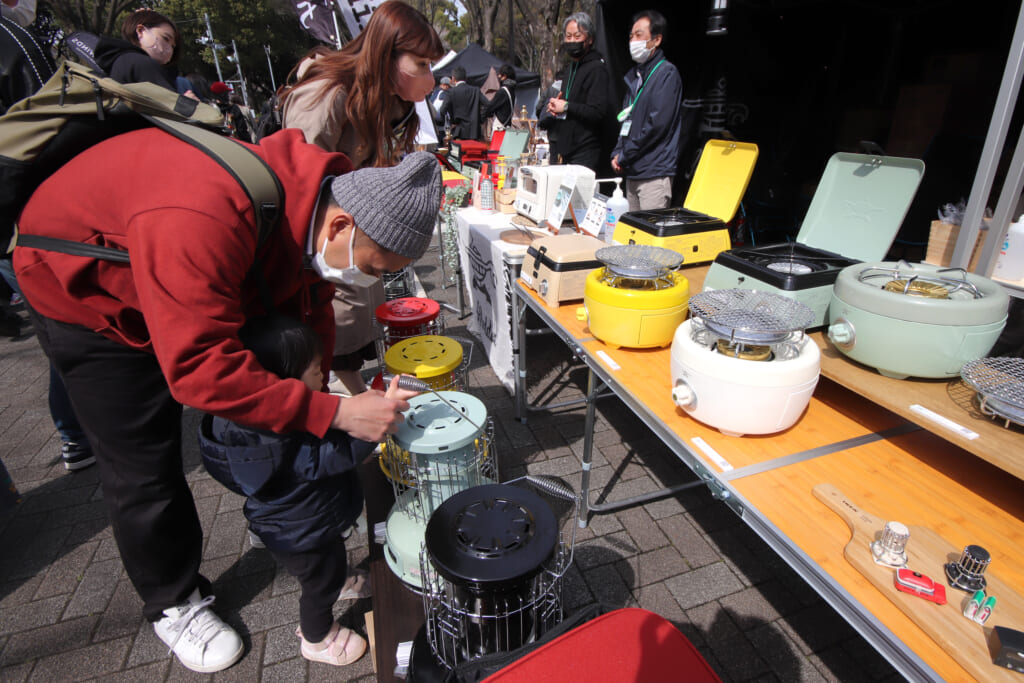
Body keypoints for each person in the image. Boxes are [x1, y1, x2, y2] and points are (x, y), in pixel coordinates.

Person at [13, 130, 441, 673]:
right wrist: (333, 412)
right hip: (86, 297)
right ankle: (173, 601)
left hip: (174, 275)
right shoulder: (205, 214)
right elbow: (195, 368)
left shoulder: (311, 202)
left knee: (262, 390)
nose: (371, 281)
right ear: (339, 225)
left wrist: (325, 389)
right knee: (142, 459)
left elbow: (310, 305)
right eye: (376, 269)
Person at [279, 0, 444, 396]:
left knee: (352, 320)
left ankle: (353, 394)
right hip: (324, 237)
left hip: (354, 232)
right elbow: (298, 187)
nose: (431, 77)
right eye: (421, 64)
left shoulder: (392, 103)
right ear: (386, 56)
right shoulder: (326, 95)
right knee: (329, 321)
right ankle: (335, 408)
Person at [199, 314, 374, 667]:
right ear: (283, 380)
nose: (322, 375)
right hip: (301, 532)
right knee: (317, 585)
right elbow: (329, 456)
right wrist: (370, 431)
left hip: (309, 521)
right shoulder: (273, 435)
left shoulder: (270, 418)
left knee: (331, 559)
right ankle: (317, 636)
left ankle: (339, 579)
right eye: (313, 370)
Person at [611, 10, 684, 211]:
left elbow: (656, 125)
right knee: (633, 237)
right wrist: (617, 152)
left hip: (654, 173)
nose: (633, 41)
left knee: (650, 239)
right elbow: (626, 121)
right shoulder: (634, 77)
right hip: (633, 170)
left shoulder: (666, 74)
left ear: (656, 40)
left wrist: (625, 155)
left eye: (639, 35)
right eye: (631, 36)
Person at [541, 12, 615, 172]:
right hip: (566, 148)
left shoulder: (597, 69)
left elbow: (598, 111)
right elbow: (568, 104)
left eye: (577, 36)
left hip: (586, 150)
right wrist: (556, 108)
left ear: (589, 39)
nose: (572, 41)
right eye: (568, 36)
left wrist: (567, 107)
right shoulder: (571, 68)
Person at [93, 9, 188, 94]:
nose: (169, 49)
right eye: (165, 38)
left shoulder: (120, 60)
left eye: (173, 47)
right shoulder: (142, 63)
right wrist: (189, 102)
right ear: (141, 31)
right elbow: (171, 106)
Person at [440, 65, 481, 141]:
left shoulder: (451, 92)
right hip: (474, 131)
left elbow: (442, 110)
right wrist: (480, 119)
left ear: (453, 78)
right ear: (465, 78)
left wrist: (449, 123)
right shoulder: (476, 90)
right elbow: (488, 105)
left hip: (458, 130)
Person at [481, 63, 517, 131]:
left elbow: (491, 106)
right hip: (507, 124)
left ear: (505, 76)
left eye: (500, 74)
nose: (498, 76)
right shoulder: (512, 91)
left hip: (499, 125)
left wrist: (481, 117)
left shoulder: (503, 91)